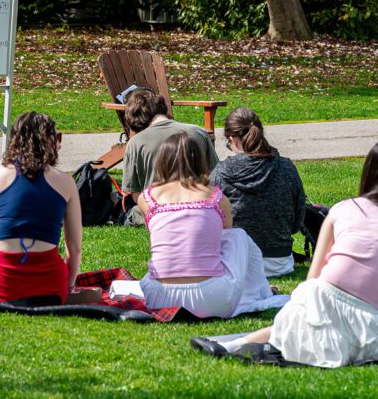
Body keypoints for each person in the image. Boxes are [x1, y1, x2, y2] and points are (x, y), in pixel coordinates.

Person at [219, 140, 378, 368]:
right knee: (354, 328)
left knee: (296, 324)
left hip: (317, 301)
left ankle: (237, 343)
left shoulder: (343, 209)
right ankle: (241, 344)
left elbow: (313, 278)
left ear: (368, 173)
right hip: (366, 330)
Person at [137, 132, 286, 318]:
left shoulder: (147, 197)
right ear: (200, 161)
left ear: (162, 161)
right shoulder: (216, 197)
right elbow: (226, 235)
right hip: (211, 298)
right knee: (237, 236)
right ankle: (258, 291)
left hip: (158, 297)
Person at [0, 112, 83, 308]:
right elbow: (75, 249)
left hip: (4, 285)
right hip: (51, 287)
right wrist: (68, 288)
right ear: (51, 142)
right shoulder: (66, 182)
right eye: (58, 138)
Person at [210, 107, 306, 276]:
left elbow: (209, 222)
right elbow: (297, 221)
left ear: (233, 139)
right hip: (279, 262)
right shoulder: (286, 167)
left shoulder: (221, 173)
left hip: (235, 262)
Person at [121, 88, 219, 207]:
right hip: (199, 204)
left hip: (157, 209)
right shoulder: (198, 131)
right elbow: (215, 175)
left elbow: (134, 193)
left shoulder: (135, 143)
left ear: (134, 115)